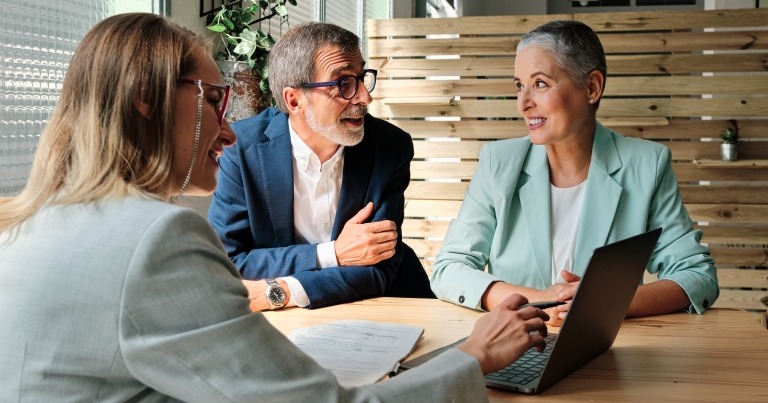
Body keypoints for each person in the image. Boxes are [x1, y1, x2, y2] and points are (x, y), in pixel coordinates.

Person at [0, 13, 550, 401]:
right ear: (150, 99)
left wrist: (271, 290)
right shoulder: (155, 238)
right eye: (215, 98)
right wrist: (471, 360)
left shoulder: (31, 224)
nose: (228, 128)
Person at [430, 20, 719, 326]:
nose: (523, 103)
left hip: (608, 351)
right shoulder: (497, 163)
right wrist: (537, 302)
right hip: (517, 348)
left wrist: (605, 300)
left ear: (592, 87)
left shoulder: (648, 165)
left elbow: (697, 275)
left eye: (540, 83)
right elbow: (449, 269)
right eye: (519, 85)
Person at [208, 21, 433, 312]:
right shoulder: (240, 149)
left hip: (384, 306)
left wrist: (284, 290)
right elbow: (227, 261)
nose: (365, 97)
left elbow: (379, 267)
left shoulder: (390, 147)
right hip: (284, 322)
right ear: (294, 100)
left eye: (362, 78)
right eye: (344, 84)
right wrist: (332, 254)